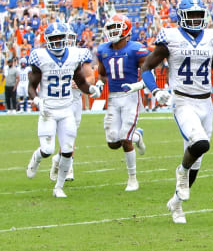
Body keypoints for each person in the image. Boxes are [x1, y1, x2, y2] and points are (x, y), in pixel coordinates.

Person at [126, 0, 213, 223]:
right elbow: (146, 67)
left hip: (206, 102)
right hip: (183, 101)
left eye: (197, 15)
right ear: (181, 17)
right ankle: (181, 172)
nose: (194, 19)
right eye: (189, 15)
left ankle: (177, 204)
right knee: (200, 143)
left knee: (197, 159)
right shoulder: (170, 37)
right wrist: (155, 90)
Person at [25, 22, 101, 198]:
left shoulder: (74, 55)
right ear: (47, 40)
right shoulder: (40, 57)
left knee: (67, 150)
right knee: (47, 150)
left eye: (61, 38)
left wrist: (91, 89)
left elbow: (81, 81)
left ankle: (58, 187)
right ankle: (36, 158)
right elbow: (32, 86)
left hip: (66, 109)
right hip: (48, 110)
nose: (58, 42)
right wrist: (37, 100)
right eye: (54, 39)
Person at [95, 14, 149, 191]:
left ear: (126, 30)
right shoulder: (103, 49)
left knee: (125, 139)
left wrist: (137, 86)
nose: (112, 32)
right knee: (112, 142)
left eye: (115, 28)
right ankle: (137, 136)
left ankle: (132, 178)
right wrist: (99, 84)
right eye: (110, 28)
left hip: (130, 97)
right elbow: (103, 74)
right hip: (113, 97)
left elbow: (149, 73)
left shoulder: (136, 49)